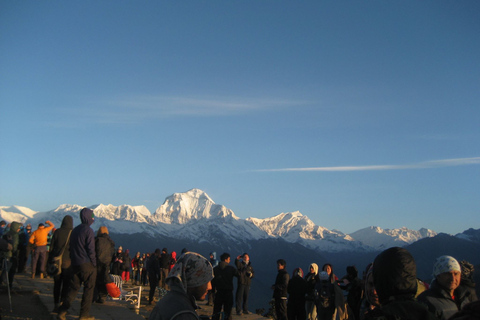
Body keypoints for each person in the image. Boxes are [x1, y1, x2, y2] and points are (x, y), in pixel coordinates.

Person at [364, 247, 436, 320]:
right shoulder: (427, 313)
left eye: (376, 283)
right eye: (370, 284)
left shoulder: (382, 316)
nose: (374, 291)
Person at [149, 251, 214, 320]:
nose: (210, 287)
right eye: (205, 281)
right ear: (193, 280)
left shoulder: (170, 300)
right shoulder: (184, 314)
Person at [57, 208, 97, 320]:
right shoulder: (88, 230)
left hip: (75, 264)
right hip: (87, 264)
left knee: (73, 289)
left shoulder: (75, 230)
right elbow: (90, 249)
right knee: (88, 290)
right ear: (89, 217)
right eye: (92, 216)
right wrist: (94, 263)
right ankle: (84, 315)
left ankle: (62, 311)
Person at [417, 255, 476, 320]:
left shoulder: (466, 297)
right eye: (447, 274)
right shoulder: (426, 301)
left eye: (456, 273)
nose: (453, 278)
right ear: (438, 276)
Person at [49, 215, 73, 312]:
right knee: (66, 285)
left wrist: (50, 260)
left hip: (57, 262)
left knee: (57, 284)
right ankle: (63, 304)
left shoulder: (57, 232)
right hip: (68, 263)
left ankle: (56, 304)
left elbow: (51, 247)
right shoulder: (73, 233)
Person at [212, 252, 239, 320]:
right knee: (228, 312)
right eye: (229, 259)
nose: (229, 261)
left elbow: (212, 281)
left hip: (218, 292)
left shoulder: (215, 269)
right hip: (228, 292)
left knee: (216, 310)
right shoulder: (231, 268)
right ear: (226, 259)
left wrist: (212, 291)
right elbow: (239, 275)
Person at [94, 225, 115, 304]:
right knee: (104, 279)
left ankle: (94, 296)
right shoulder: (111, 241)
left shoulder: (96, 240)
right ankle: (102, 296)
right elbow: (112, 254)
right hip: (106, 264)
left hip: (96, 263)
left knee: (95, 280)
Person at [0, 221, 21, 287]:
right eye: (18, 227)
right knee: (10, 270)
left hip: (4, 253)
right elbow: (14, 245)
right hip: (11, 254)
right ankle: (7, 283)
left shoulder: (7, 233)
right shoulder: (15, 235)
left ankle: (3, 282)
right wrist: (15, 253)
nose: (19, 229)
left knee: (5, 269)